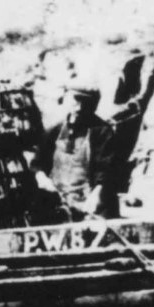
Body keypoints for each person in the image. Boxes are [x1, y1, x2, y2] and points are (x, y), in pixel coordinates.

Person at [32, 84, 120, 219]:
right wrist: (41, 177)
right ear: (65, 99)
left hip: (90, 200)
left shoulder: (102, 131)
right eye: (75, 100)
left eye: (86, 103)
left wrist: (97, 195)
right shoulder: (53, 131)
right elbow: (38, 163)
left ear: (94, 106)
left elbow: (106, 171)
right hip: (58, 199)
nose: (79, 107)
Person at [98, 48, 154, 217]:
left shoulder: (147, 67)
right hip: (115, 124)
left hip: (124, 124)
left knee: (115, 164)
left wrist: (111, 116)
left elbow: (141, 100)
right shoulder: (118, 77)